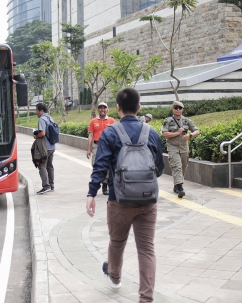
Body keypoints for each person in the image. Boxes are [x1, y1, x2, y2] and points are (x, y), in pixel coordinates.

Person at [86, 88, 165, 303]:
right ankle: (146, 299)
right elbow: (159, 167)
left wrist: (91, 193)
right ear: (139, 107)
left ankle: (115, 277)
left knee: (117, 242)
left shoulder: (111, 133)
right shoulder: (152, 132)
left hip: (118, 201)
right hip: (148, 201)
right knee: (147, 250)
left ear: (118, 108)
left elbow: (100, 166)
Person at [161, 100, 200, 198]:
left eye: (180, 108)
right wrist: (177, 133)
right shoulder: (168, 120)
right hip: (172, 147)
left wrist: (190, 135)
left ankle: (176, 186)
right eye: (176, 108)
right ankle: (180, 188)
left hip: (184, 147)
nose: (178, 110)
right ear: (173, 109)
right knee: (177, 166)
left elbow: (197, 131)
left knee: (183, 167)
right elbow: (164, 134)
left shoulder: (187, 120)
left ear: (182, 110)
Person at [86, 102, 115, 195]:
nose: (102, 110)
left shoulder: (112, 121)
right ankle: (97, 182)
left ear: (107, 110)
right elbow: (90, 135)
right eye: (100, 108)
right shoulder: (93, 121)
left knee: (107, 165)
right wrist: (89, 149)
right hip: (96, 145)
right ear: (98, 110)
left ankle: (105, 184)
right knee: (95, 164)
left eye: (104, 108)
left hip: (108, 145)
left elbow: (115, 135)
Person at [34, 103, 56, 194]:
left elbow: (42, 133)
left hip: (45, 147)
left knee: (42, 165)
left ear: (41, 111)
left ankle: (46, 186)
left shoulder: (42, 119)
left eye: (36, 110)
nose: (36, 112)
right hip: (52, 146)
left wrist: (36, 136)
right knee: (49, 166)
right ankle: (51, 185)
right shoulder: (51, 118)